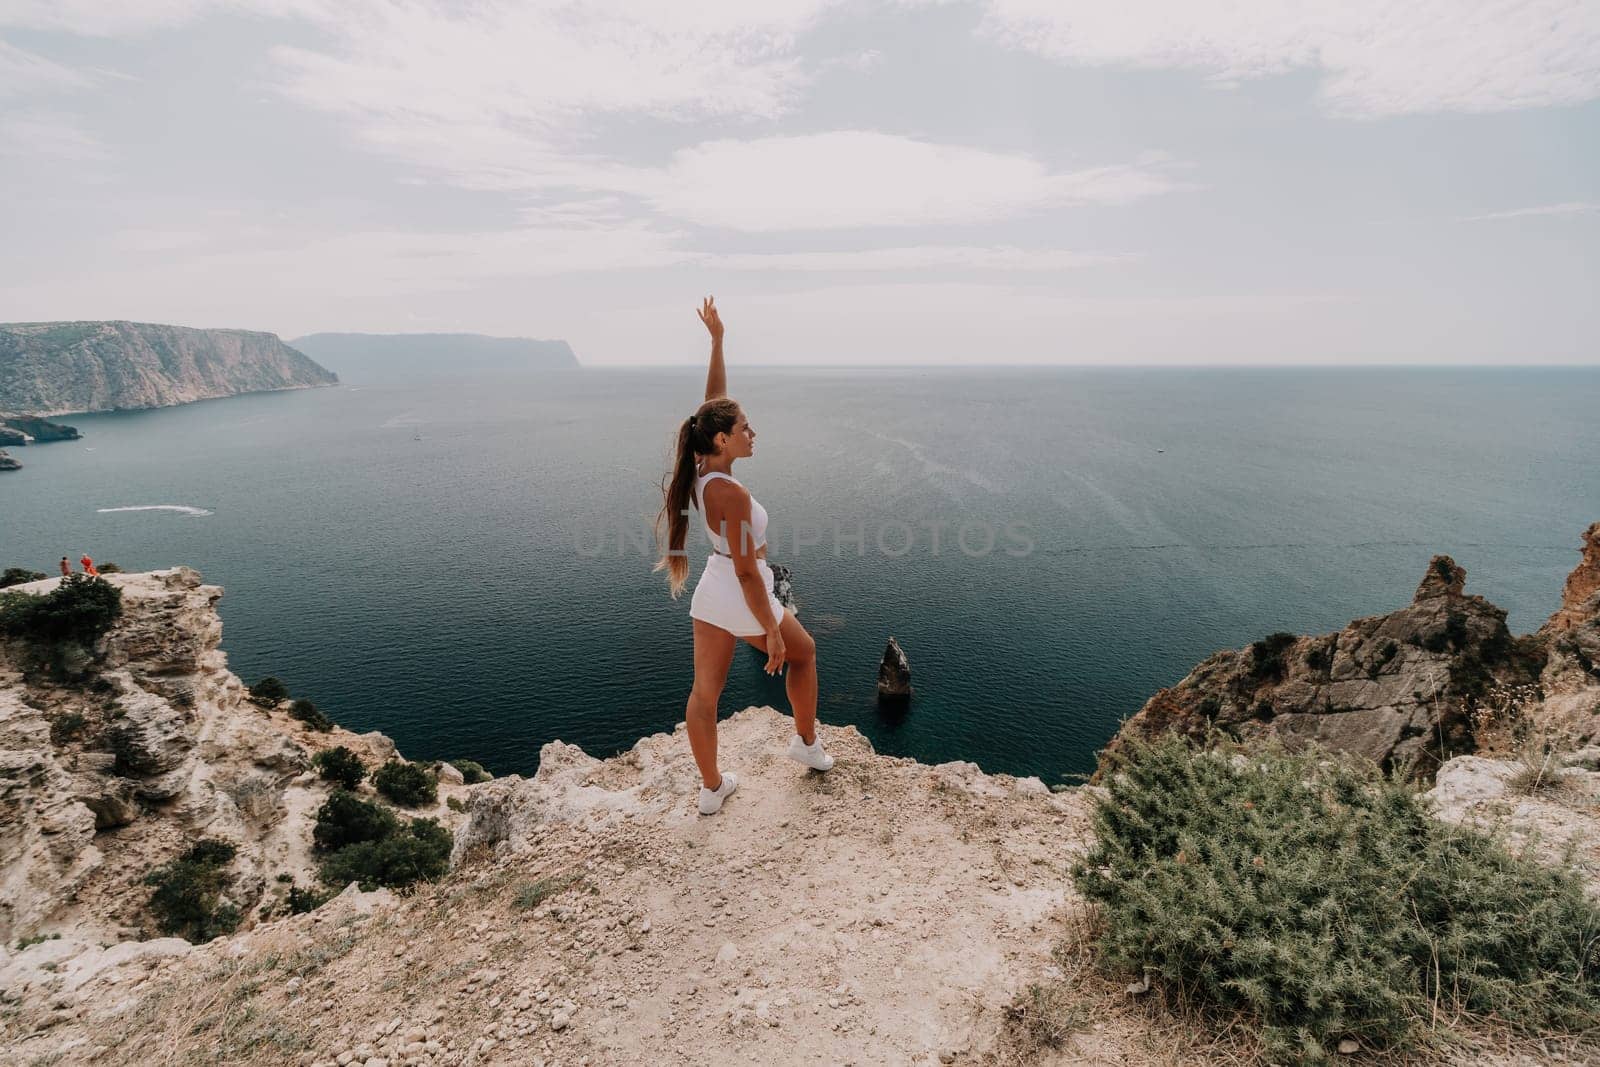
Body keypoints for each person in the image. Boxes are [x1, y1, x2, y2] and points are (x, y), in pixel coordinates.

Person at [655, 297, 833, 816]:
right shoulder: (728, 494)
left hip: (712, 591)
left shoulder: (703, 465)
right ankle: (805, 741)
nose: (753, 433)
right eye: (746, 428)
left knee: (703, 694)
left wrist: (716, 342)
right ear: (723, 439)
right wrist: (772, 630)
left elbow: (712, 402)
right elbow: (749, 572)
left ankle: (712, 789)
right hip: (738, 586)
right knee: (803, 653)